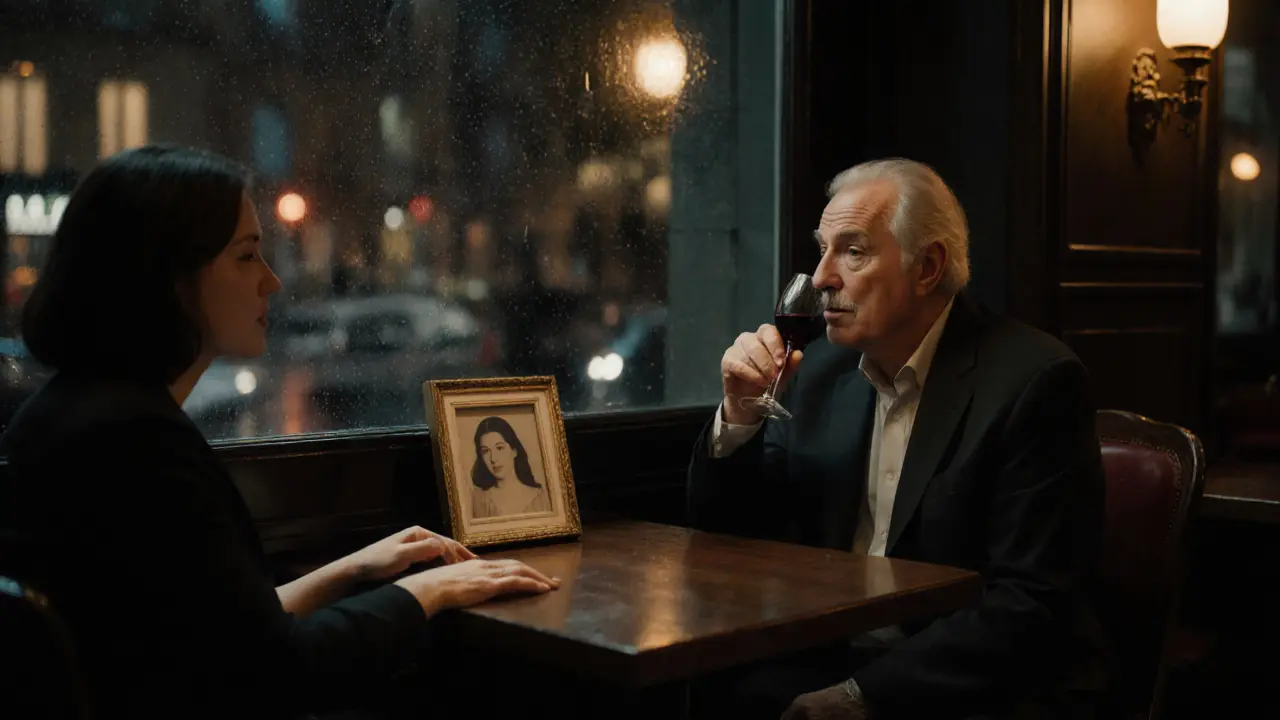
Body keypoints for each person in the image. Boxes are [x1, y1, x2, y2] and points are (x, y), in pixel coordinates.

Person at [0, 145, 559, 719]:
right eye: (246, 257)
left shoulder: (67, 417)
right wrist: (431, 590)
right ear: (168, 275)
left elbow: (220, 637)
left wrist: (356, 566)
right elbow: (278, 672)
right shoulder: (137, 445)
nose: (271, 282)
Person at [687, 159, 1108, 719]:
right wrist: (739, 416)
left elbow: (1030, 603)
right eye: (822, 249)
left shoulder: (1035, 381)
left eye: (853, 251)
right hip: (832, 653)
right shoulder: (816, 373)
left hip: (978, 684)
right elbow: (733, 543)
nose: (820, 278)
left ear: (928, 266)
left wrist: (866, 697)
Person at [471, 415, 552, 519]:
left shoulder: (541, 498)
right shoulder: (478, 500)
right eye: (485, 451)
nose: (493, 459)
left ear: (514, 451)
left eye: (499, 448)